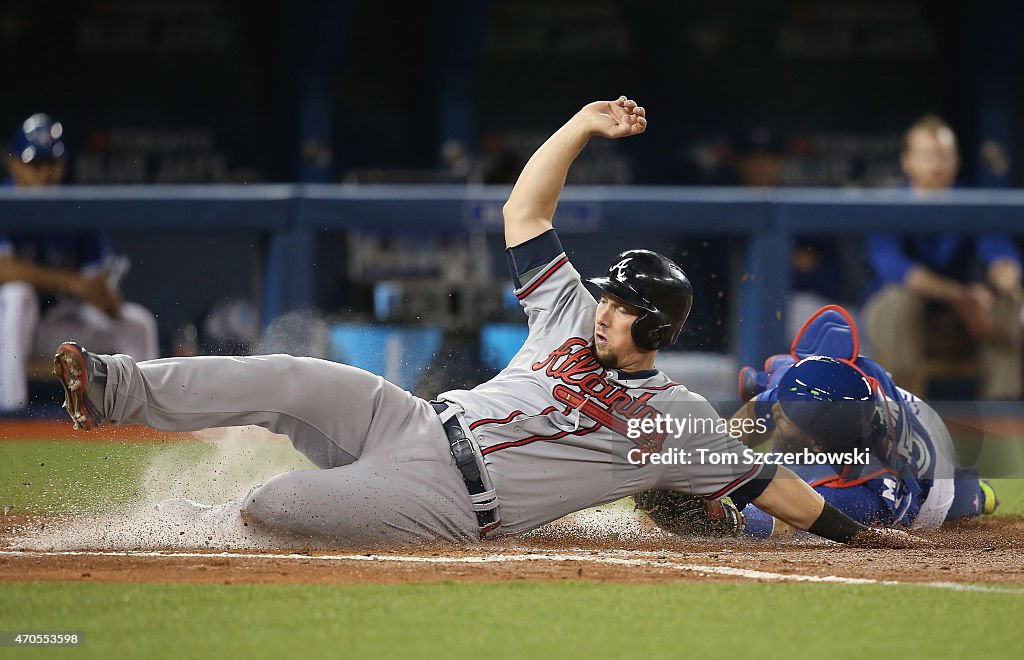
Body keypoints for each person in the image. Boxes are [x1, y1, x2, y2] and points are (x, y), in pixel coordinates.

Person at [53, 97, 915, 548]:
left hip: (449, 503)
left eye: (622, 303)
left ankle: (204, 522)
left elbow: (777, 491)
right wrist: (581, 125)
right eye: (607, 293)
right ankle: (111, 384)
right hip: (416, 421)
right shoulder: (572, 310)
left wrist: (858, 536)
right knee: (285, 375)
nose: (604, 304)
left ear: (653, 323)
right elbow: (524, 210)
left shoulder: (679, 421)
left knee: (279, 503)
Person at [636, 305, 997, 540]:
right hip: (894, 405)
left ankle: (983, 494)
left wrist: (718, 520)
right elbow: (748, 423)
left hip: (935, 480)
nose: (777, 411)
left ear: (818, 444)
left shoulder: (858, 493)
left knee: (970, 498)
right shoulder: (820, 398)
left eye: (787, 414)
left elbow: (787, 523)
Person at [0, 113, 158, 411]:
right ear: (14, 164)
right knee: (17, 296)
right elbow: (3, 269)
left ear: (62, 165)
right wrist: (72, 282)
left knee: (138, 324)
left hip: (54, 327)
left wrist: (105, 296)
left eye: (51, 164)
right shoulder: (4, 202)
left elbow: (99, 287)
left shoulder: (76, 207)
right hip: (6, 328)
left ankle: (141, 424)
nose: (44, 174)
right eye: (35, 165)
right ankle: (11, 416)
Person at [862, 114, 1023, 399]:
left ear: (956, 161)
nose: (936, 166)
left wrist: (1008, 280)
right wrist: (961, 296)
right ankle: (902, 415)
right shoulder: (887, 204)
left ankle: (1003, 418)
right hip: (903, 327)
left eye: (944, 157)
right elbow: (900, 271)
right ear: (907, 161)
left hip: (962, 324)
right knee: (898, 301)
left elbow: (998, 252)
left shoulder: (970, 203)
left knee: (1008, 302)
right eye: (927, 157)